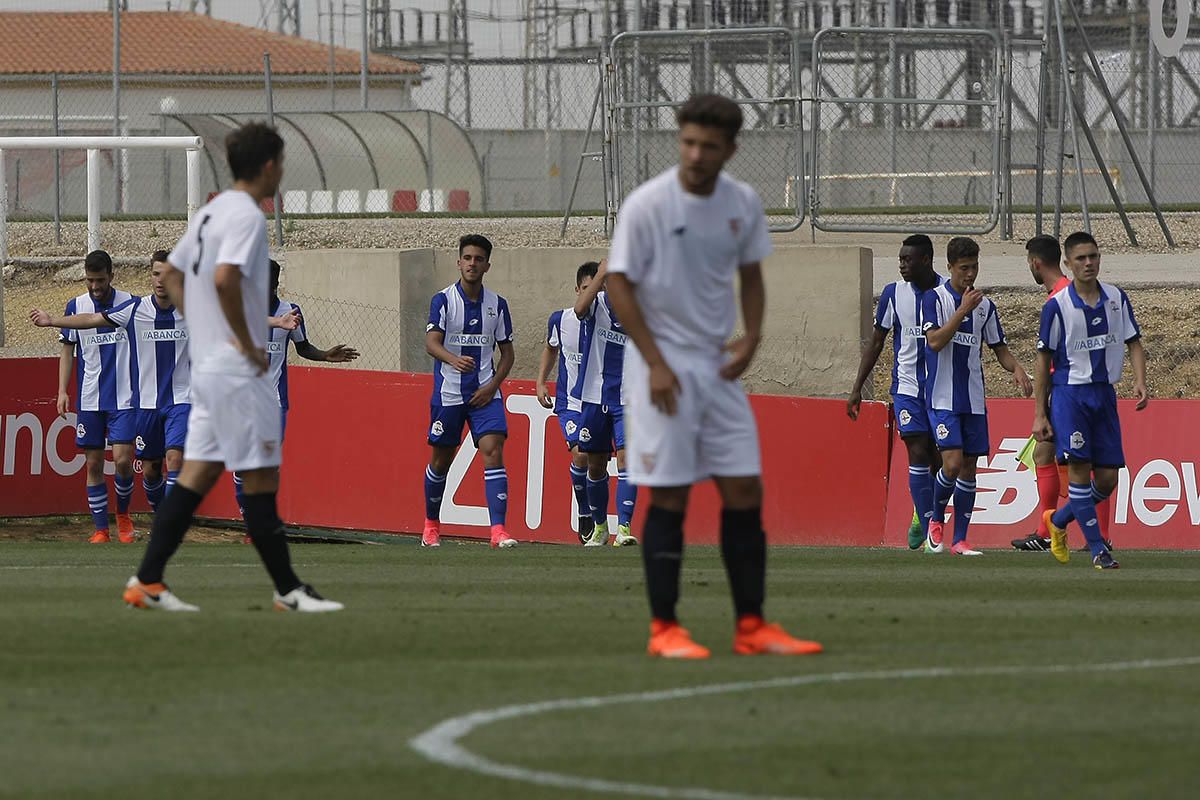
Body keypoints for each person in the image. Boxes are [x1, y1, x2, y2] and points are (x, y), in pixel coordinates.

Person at [605, 93, 823, 659]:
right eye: (688, 142)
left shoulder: (742, 203)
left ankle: (751, 626)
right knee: (671, 493)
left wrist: (751, 336)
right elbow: (618, 285)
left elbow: (750, 274)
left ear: (731, 148)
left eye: (708, 145)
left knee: (744, 487)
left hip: (715, 364)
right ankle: (664, 630)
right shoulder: (647, 205)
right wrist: (654, 361)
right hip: (661, 363)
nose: (696, 154)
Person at [122, 121, 343, 612]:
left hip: (208, 369)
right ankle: (288, 590)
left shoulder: (211, 211)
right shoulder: (245, 216)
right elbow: (224, 281)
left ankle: (148, 580)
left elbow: (176, 275)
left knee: (197, 476)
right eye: (281, 163)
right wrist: (245, 343)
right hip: (238, 371)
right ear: (268, 166)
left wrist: (204, 330)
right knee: (261, 477)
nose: (282, 172)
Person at [32, 250, 190, 516]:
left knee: (160, 459)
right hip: (135, 401)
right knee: (147, 470)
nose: (160, 280)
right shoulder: (136, 310)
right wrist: (52, 322)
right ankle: (106, 530)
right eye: (155, 274)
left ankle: (161, 522)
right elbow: (91, 320)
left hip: (163, 399)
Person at [1034, 232, 1147, 570]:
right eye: (1081, 258)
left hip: (1104, 395)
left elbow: (1134, 341)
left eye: (1093, 257)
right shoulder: (1058, 306)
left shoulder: (1116, 298)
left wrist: (1140, 380)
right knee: (1080, 470)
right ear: (1068, 263)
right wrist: (1040, 413)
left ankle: (1059, 520)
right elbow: (1043, 361)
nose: (1088, 263)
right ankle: (1099, 549)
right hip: (1070, 396)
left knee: (1109, 479)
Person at [921, 236, 1032, 556]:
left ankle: (960, 540)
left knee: (969, 468)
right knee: (952, 464)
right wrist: (961, 310)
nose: (970, 274)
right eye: (964, 268)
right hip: (942, 398)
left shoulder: (985, 306)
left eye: (975, 267)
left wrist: (1017, 369)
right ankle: (936, 520)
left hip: (973, 400)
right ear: (950, 268)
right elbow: (935, 342)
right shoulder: (935, 299)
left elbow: (999, 349)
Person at [232, 259, 359, 514]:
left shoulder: (291, 311)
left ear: (274, 284)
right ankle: (247, 511)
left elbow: (302, 347)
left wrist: (324, 355)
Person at [1012, 234, 1114, 552]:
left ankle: (1054, 531)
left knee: (1083, 464)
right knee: (1046, 454)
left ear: (1035, 263)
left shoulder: (1060, 298)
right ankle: (1052, 530)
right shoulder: (1069, 293)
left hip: (1070, 391)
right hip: (1075, 388)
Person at [421, 234, 518, 550]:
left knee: (493, 449)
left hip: (485, 394)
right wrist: (453, 359)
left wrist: (492, 386)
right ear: (458, 262)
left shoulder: (497, 304)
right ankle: (431, 526)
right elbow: (431, 343)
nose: (472, 264)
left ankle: (498, 531)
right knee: (441, 461)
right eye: (467, 258)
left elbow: (508, 354)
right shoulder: (443, 300)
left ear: (487, 265)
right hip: (449, 393)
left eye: (478, 259)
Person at [848, 234, 943, 550]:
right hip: (906, 388)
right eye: (900, 259)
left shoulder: (947, 293)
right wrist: (857, 387)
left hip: (943, 388)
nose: (901, 264)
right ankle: (931, 525)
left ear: (926, 260)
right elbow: (876, 342)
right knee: (917, 450)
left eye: (907, 259)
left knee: (941, 459)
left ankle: (921, 511)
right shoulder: (893, 294)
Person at [51, 250, 139, 543]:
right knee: (93, 463)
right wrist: (63, 390)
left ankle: (123, 516)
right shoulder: (76, 304)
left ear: (111, 276)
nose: (94, 286)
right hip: (90, 398)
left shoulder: (129, 302)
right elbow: (68, 350)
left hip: (124, 396)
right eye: (89, 280)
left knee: (124, 460)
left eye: (100, 280)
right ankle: (101, 529)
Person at [573, 259, 639, 547]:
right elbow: (578, 310)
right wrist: (599, 273)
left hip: (628, 397)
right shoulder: (597, 303)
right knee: (596, 465)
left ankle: (623, 527)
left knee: (626, 459)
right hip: (594, 395)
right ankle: (600, 527)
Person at [536, 261, 598, 544]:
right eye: (587, 289)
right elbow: (551, 348)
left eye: (597, 289)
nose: (591, 295)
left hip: (599, 402)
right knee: (580, 454)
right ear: (577, 289)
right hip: (571, 402)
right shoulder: (561, 320)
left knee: (599, 462)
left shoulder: (609, 323)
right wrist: (540, 381)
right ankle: (585, 512)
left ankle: (610, 522)